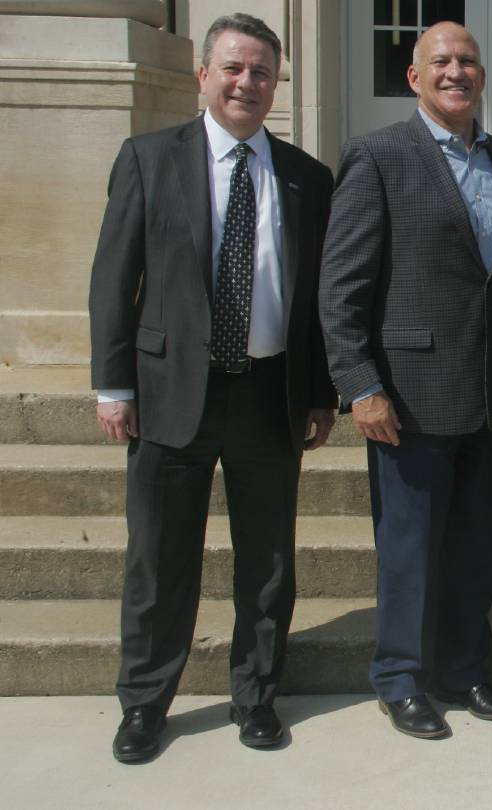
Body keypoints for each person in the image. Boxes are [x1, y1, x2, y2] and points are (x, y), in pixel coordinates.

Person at [89, 13, 336, 762]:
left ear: (276, 81)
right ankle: (144, 704)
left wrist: (320, 393)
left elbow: (319, 298)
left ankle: (256, 696)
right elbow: (113, 279)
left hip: (268, 395)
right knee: (160, 560)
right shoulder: (148, 158)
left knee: (267, 562)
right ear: (203, 74)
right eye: (233, 68)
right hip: (169, 394)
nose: (246, 83)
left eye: (261, 71)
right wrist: (113, 385)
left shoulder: (305, 176)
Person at [319, 21, 492, 740]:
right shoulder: (378, 155)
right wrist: (359, 383)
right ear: (414, 77)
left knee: (475, 544)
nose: (456, 72)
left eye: (468, 61)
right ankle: (401, 679)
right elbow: (342, 284)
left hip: (482, 394)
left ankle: (466, 670)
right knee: (408, 548)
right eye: (440, 61)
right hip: (404, 395)